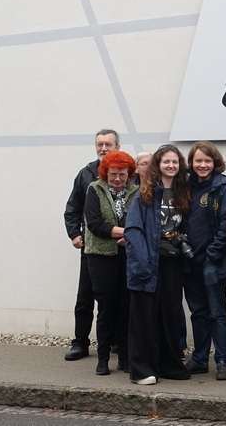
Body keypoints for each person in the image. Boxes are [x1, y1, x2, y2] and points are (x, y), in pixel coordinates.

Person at [123, 144, 193, 385]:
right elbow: (133, 229)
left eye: (175, 161)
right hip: (147, 263)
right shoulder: (145, 193)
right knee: (144, 318)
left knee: (170, 315)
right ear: (158, 165)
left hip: (172, 263)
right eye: (166, 161)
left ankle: (168, 365)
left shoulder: (183, 192)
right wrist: (142, 262)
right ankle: (142, 370)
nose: (171, 165)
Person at [181, 142, 226, 381]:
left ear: (215, 163)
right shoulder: (185, 187)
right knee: (198, 313)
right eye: (198, 161)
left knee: (217, 313)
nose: (202, 165)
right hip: (190, 261)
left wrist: (211, 254)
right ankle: (199, 360)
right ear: (191, 163)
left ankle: (223, 360)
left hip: (212, 261)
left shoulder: (224, 188)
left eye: (207, 161)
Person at [63, 129, 120, 361]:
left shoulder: (126, 172)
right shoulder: (86, 174)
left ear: (117, 147)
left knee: (113, 297)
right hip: (90, 247)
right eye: (99, 144)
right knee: (85, 297)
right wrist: (74, 234)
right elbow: (72, 209)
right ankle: (80, 343)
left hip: (118, 247)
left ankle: (114, 341)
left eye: (108, 144)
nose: (103, 148)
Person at [83, 150, 138, 376]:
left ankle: (125, 358)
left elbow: (139, 221)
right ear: (105, 173)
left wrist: (130, 233)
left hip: (127, 256)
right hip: (101, 257)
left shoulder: (135, 192)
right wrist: (127, 232)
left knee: (126, 308)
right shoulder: (94, 189)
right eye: (113, 174)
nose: (117, 179)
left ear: (129, 174)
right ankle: (103, 358)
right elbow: (95, 224)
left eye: (122, 174)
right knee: (106, 309)